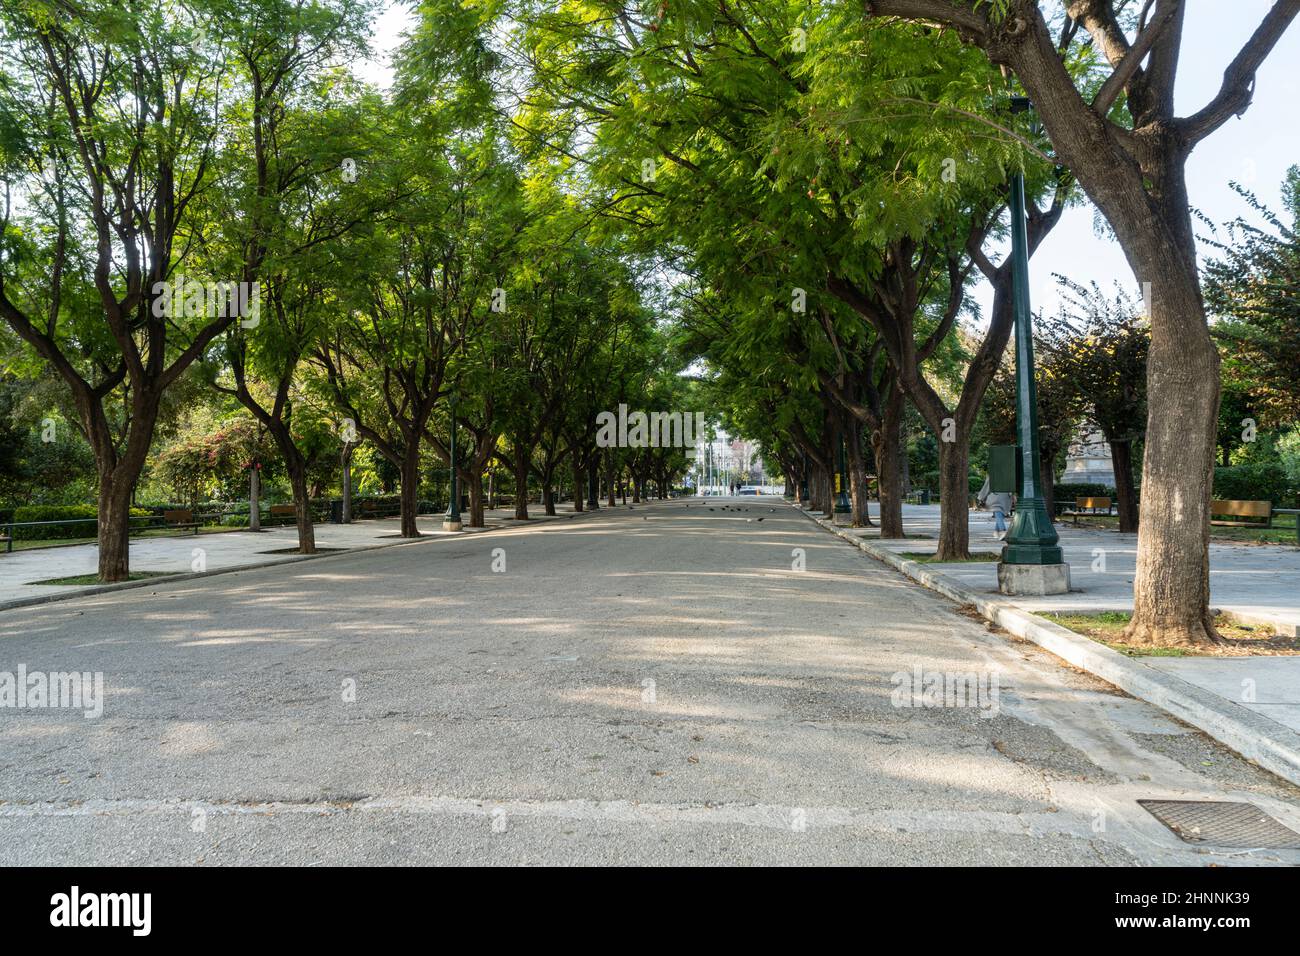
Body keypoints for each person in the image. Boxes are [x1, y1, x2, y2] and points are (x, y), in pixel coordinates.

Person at [976, 477, 1014, 541]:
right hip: (1006, 496)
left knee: (998, 512)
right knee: (1000, 514)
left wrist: (981, 498)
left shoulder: (993, 473)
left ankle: (1003, 531)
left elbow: (987, 486)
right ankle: (996, 532)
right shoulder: (1009, 472)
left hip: (996, 495)